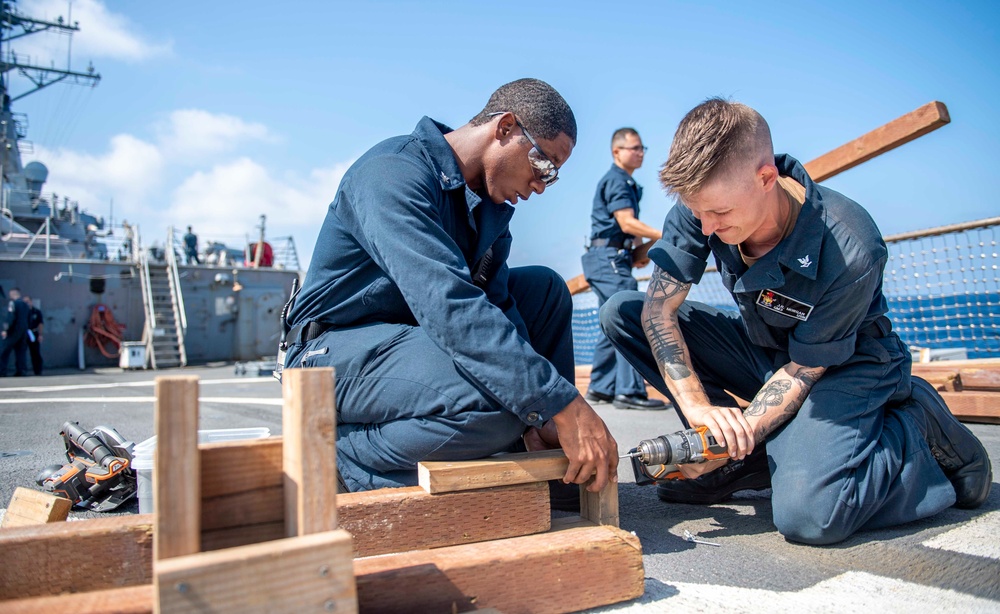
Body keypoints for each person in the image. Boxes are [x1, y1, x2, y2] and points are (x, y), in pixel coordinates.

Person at [600, 98, 991, 545]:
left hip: (844, 366)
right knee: (624, 313)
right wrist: (702, 415)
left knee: (810, 516)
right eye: (698, 213)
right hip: (767, 349)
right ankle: (742, 458)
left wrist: (735, 436)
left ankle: (916, 428)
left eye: (720, 214)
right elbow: (658, 311)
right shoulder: (706, 204)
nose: (705, 227)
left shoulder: (851, 247)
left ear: (767, 178)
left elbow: (804, 370)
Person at [284, 78, 618, 499]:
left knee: (544, 290)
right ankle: (346, 456)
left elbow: (499, 310)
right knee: (495, 402)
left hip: (409, 346)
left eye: (551, 178)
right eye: (544, 165)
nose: (540, 185)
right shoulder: (392, 173)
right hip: (331, 352)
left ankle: (552, 463)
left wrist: (544, 418)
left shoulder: (490, 210)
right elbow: (450, 305)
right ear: (506, 128)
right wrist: (562, 403)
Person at [582, 128, 666, 411]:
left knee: (610, 320)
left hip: (607, 257)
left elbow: (628, 226)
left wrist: (639, 248)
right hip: (609, 258)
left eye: (643, 148)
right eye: (635, 148)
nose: (640, 152)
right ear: (617, 152)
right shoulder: (618, 181)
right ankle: (630, 391)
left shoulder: (624, 182)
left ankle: (601, 388)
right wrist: (663, 234)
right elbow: (626, 222)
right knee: (627, 313)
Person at [1, 287, 30, 377]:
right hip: (23, 331)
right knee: (21, 352)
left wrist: (6, 329)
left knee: (3, 351)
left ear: (13, 294)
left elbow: (11, 317)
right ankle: (22, 371)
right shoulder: (25, 305)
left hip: (13, 331)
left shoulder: (13, 303)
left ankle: (2, 371)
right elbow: (28, 318)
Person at [24, 295, 43, 375]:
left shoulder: (36, 312)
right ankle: (22, 371)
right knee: (21, 352)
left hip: (33, 333)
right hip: (24, 333)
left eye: (27, 301)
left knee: (35, 353)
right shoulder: (22, 312)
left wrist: (40, 335)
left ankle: (38, 370)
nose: (26, 303)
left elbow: (40, 323)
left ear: (31, 302)